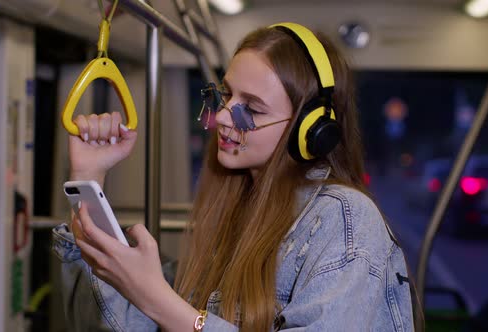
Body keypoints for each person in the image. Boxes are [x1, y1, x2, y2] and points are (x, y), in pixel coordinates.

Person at [52, 22, 419, 331]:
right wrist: (88, 178)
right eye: (226, 96)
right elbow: (120, 324)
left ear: (310, 130)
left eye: (252, 109)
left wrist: (158, 298)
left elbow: (166, 312)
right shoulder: (236, 215)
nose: (224, 117)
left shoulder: (346, 220)